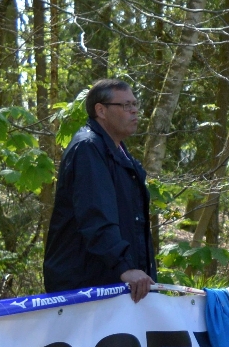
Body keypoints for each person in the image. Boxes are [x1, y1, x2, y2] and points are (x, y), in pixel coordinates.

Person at [45, 79, 157, 302]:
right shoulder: (88, 148)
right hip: (85, 288)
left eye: (135, 104)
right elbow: (96, 216)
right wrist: (124, 267)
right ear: (101, 110)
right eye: (125, 105)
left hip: (115, 284)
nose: (134, 110)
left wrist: (140, 271)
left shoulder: (118, 152)